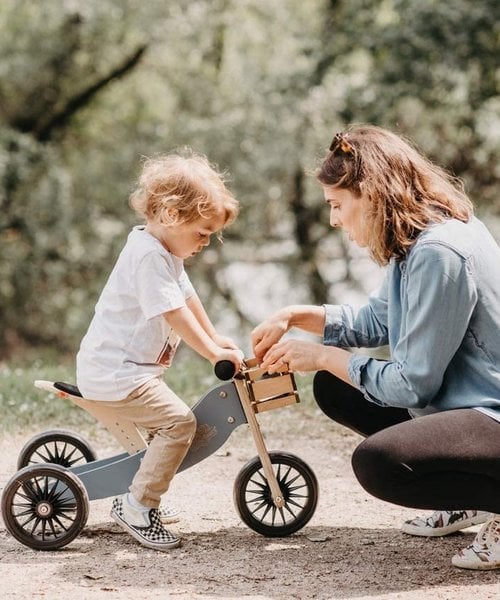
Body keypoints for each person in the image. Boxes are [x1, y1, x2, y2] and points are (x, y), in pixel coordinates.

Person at [251, 124, 500, 570]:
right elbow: (377, 321)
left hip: (492, 413)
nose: (333, 219)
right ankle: (472, 495)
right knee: (335, 385)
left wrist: (323, 355)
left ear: (371, 194)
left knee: (381, 464)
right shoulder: (418, 238)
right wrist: (297, 315)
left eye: (337, 205)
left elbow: (412, 385)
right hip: (468, 405)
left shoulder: (439, 252)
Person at [77, 152, 243, 551]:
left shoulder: (164, 251)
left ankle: (138, 492)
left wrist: (214, 337)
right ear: (171, 214)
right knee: (179, 425)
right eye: (203, 232)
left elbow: (186, 298)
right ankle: (137, 506)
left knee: (167, 427)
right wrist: (210, 354)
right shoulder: (149, 255)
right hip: (116, 373)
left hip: (128, 371)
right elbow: (171, 312)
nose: (206, 242)